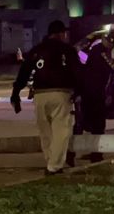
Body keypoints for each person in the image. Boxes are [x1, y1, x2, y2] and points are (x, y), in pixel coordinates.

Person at [10, 21, 82, 174]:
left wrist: (16, 93)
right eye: (64, 33)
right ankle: (54, 166)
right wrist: (79, 92)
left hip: (40, 95)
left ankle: (50, 161)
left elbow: (24, 72)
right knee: (61, 131)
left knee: (45, 132)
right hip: (61, 94)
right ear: (61, 34)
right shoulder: (67, 50)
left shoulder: (37, 50)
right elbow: (78, 72)